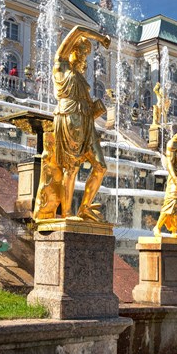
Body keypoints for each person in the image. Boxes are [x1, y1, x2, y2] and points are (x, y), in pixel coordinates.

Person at [52, 25, 111, 221]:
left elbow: (86, 106)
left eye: (86, 53)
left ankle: (84, 208)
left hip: (86, 123)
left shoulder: (80, 77)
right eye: (80, 51)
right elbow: (77, 29)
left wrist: (96, 109)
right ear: (71, 51)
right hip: (69, 120)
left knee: (101, 166)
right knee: (72, 168)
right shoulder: (60, 66)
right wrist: (100, 38)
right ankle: (67, 214)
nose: (83, 56)